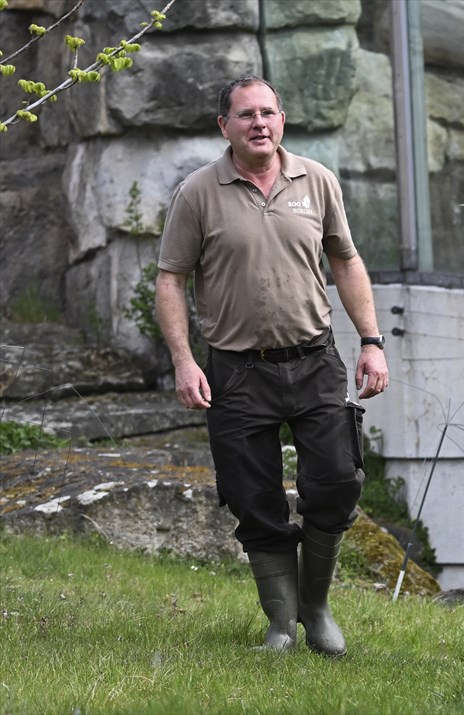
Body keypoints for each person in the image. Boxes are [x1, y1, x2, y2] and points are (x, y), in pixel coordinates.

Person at [155, 75, 389, 657]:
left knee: (337, 481)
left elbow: (347, 260)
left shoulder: (317, 180)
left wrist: (371, 339)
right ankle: (281, 625)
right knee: (251, 496)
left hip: (314, 361)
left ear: (282, 120)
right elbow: (170, 280)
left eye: (268, 113)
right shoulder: (198, 192)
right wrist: (184, 361)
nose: (259, 123)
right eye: (245, 115)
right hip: (235, 370)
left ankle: (316, 607)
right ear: (224, 126)